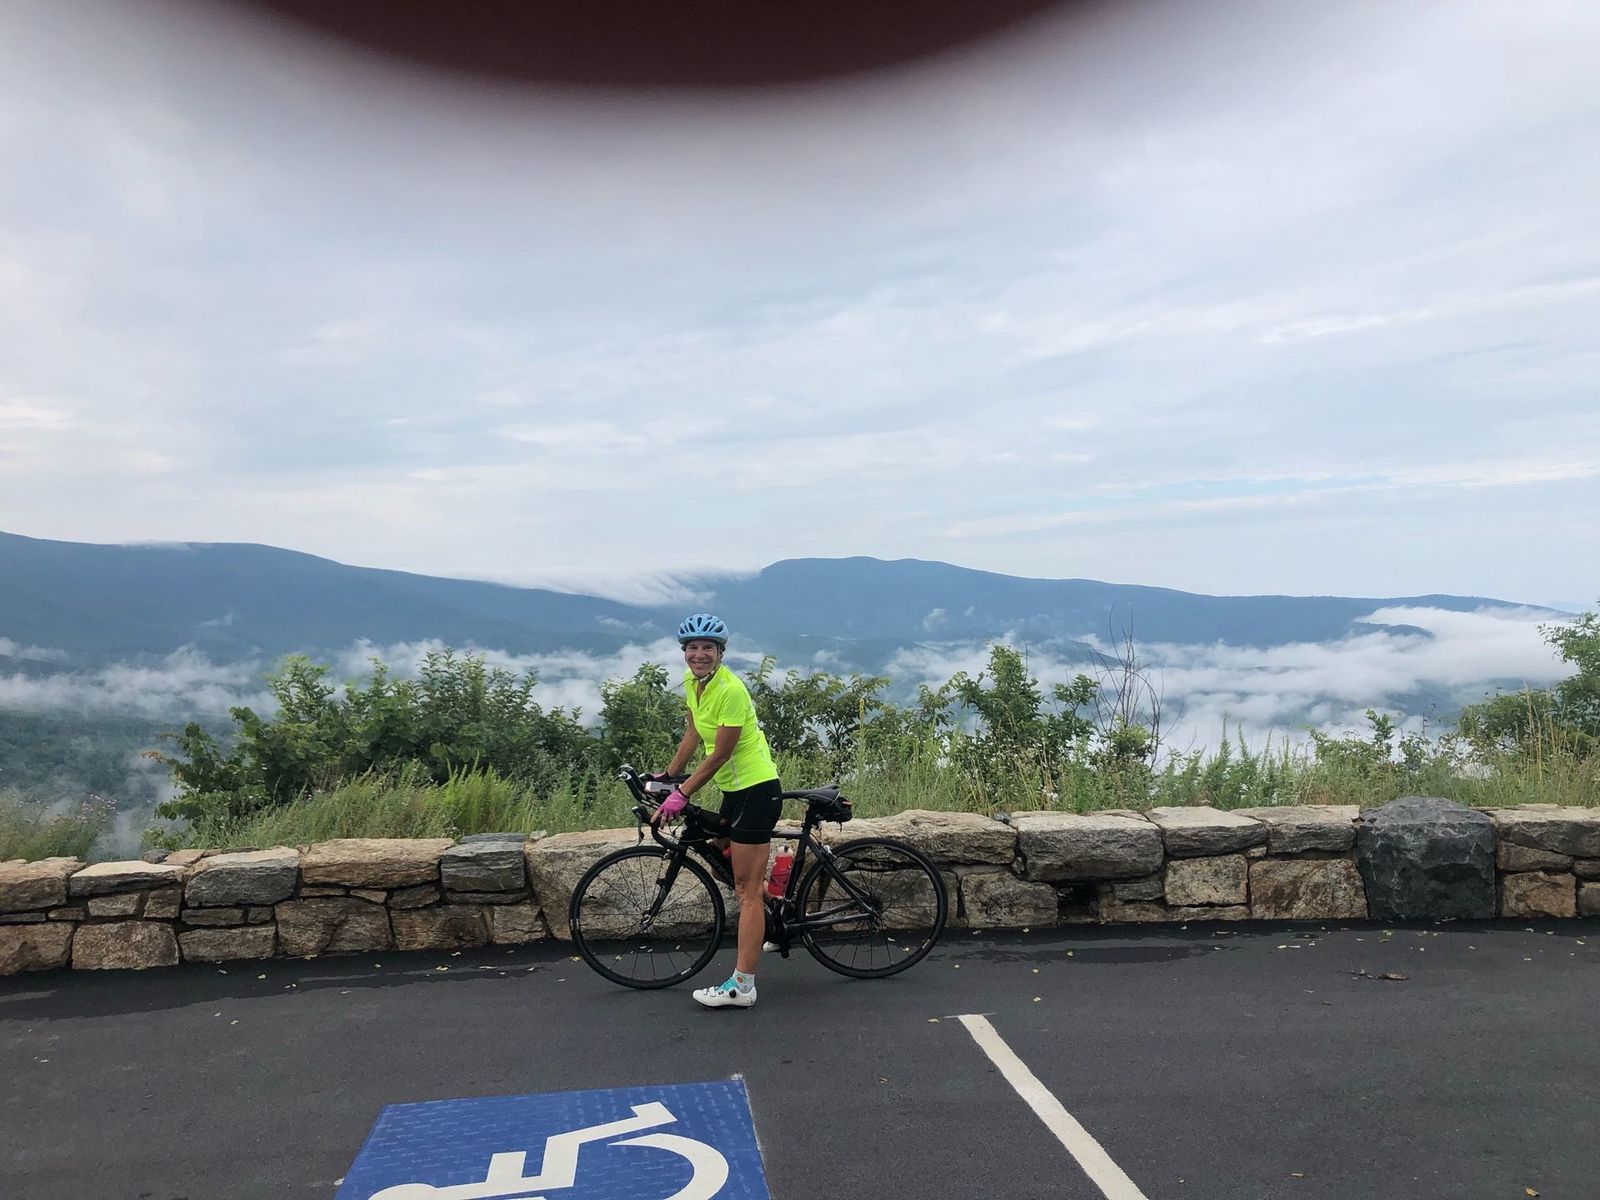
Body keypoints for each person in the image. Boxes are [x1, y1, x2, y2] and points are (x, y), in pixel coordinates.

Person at [651, 613, 781, 1009]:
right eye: (692, 647)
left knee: (746, 891)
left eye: (708, 647)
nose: (699, 654)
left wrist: (682, 793)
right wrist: (667, 776)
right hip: (733, 792)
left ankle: (743, 987)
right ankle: (775, 917)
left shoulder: (731, 690)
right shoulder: (694, 684)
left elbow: (721, 753)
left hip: (756, 790)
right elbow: (694, 732)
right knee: (724, 861)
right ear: (684, 652)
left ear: (720, 652)